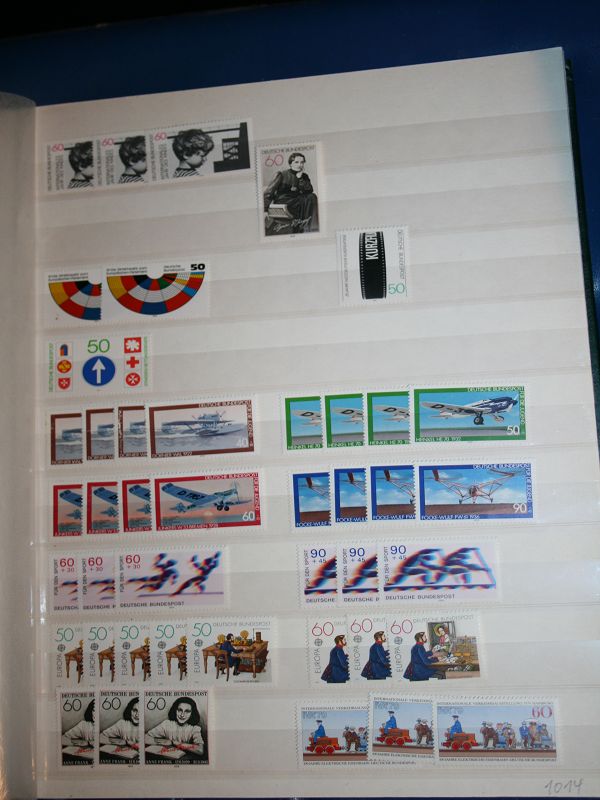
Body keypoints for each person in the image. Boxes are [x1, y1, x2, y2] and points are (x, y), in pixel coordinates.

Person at [263, 152, 318, 234]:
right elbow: (268, 192)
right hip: (284, 202)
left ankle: (309, 228)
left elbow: (309, 190)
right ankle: (305, 227)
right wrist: (265, 209)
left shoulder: (304, 176)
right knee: (307, 199)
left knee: (312, 196)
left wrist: (300, 179)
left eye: (302, 162)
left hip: (298, 202)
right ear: (290, 164)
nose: (300, 165)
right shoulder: (282, 174)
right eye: (296, 162)